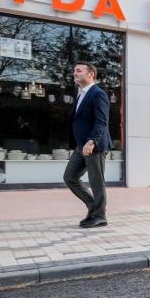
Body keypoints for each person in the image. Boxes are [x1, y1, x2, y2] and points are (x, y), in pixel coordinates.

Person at [64, 62, 112, 228]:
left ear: (91, 74)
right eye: (74, 70)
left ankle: (100, 216)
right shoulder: (81, 94)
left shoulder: (97, 94)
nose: (74, 73)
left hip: (94, 145)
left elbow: (102, 121)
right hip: (81, 146)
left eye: (79, 70)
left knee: (96, 181)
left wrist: (92, 141)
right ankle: (93, 206)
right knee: (70, 177)